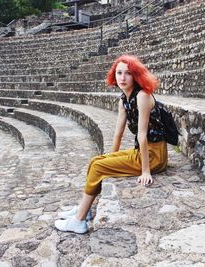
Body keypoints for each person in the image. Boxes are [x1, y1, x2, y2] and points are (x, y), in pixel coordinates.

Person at [55, 55, 168, 234]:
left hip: (154, 157)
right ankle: (83, 209)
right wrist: (109, 157)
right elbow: (118, 133)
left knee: (99, 166)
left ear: (136, 76)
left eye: (128, 74)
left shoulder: (143, 96)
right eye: (119, 73)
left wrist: (146, 171)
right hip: (141, 152)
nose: (122, 78)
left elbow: (143, 135)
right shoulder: (124, 99)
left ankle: (79, 221)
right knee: (97, 161)